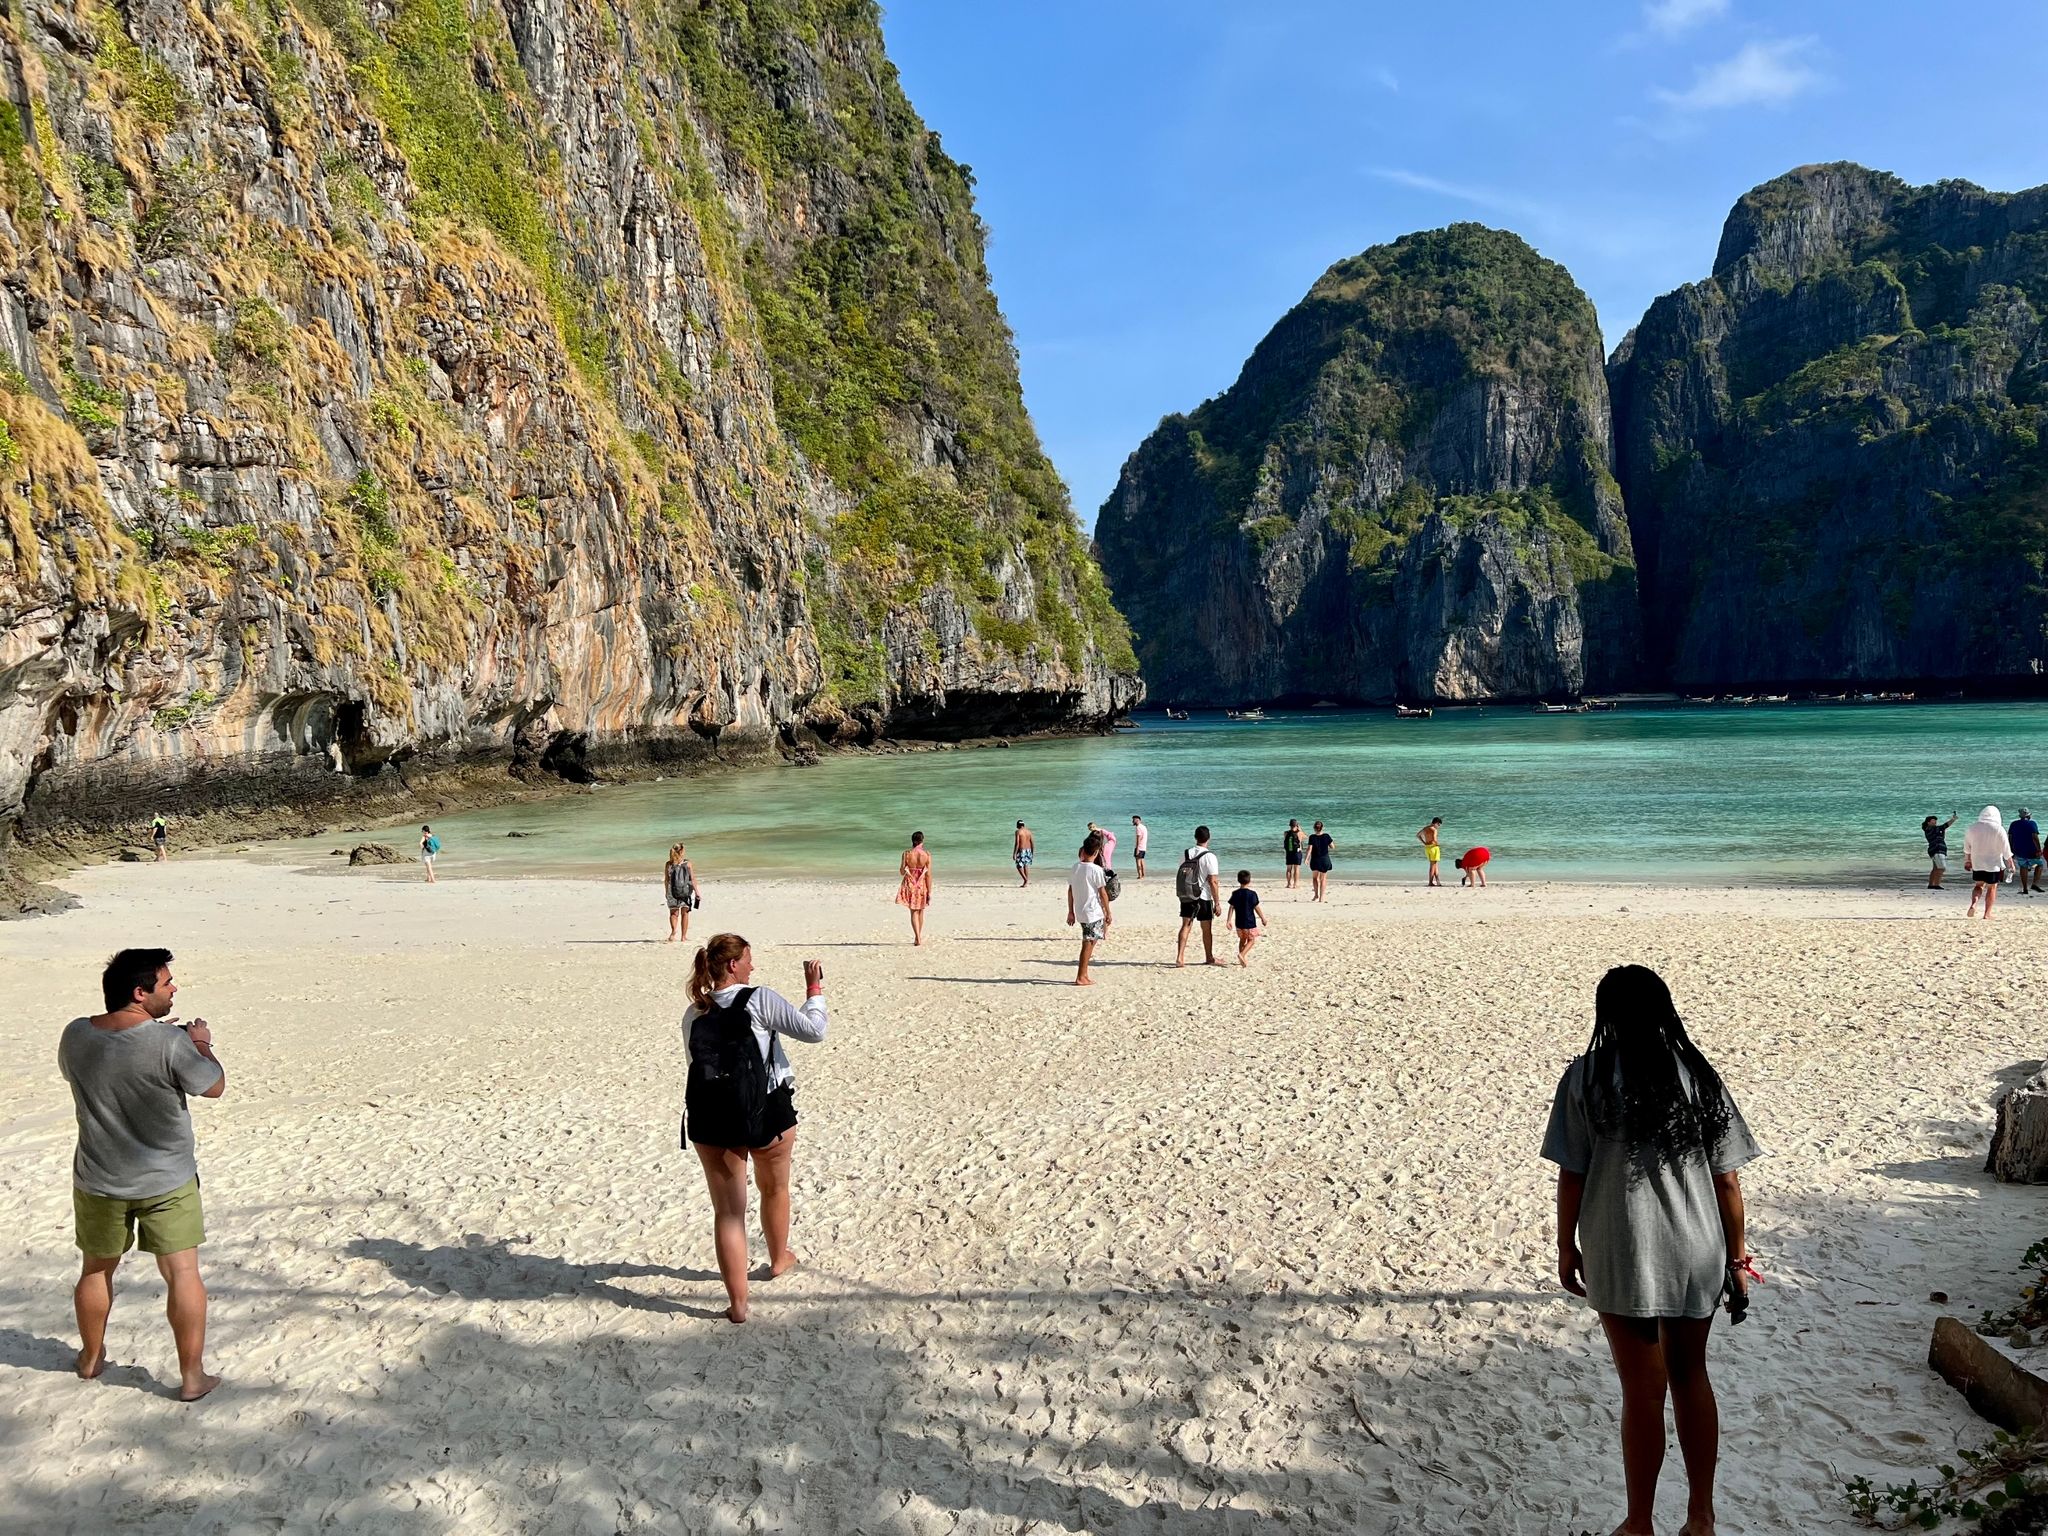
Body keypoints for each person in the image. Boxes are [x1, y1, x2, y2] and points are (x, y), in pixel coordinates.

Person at [1543, 965, 1761, 1536]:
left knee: (1641, 1389)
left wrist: (1566, 1246)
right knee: (1692, 1378)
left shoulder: (1586, 1077)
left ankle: (1639, 1521)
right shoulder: (1698, 1074)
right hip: (1695, 1248)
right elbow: (1728, 1181)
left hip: (1619, 1247)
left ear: (1605, 1014)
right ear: (1666, 1009)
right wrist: (1737, 1258)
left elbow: (1572, 1174)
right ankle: (1701, 1517)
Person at [59, 948, 227, 1401]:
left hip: (99, 1178)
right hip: (166, 1180)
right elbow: (213, 1085)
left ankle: (91, 1358)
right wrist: (199, 1042)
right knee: (183, 1275)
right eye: (167, 983)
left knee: (95, 1271)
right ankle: (193, 1378)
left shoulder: (76, 1034)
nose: (174, 989)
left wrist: (155, 1038)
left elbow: (100, 1062)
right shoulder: (170, 1043)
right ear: (140, 992)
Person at [682, 934, 826, 1323]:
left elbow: (699, 1064)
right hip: (767, 1112)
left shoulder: (695, 1012)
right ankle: (779, 1259)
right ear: (733, 966)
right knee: (775, 1187)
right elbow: (814, 1031)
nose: (752, 966)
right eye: (748, 959)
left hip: (712, 1119)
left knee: (728, 1213)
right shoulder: (759, 998)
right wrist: (814, 990)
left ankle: (739, 1305)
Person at [1174, 826, 1225, 968]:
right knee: (1206, 928)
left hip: (1187, 894)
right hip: (1203, 896)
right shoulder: (1210, 857)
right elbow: (1213, 881)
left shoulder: (1185, 854)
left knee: (1185, 926)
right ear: (1209, 838)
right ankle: (1209, 957)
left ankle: (1180, 957)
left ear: (1195, 837)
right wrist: (1218, 903)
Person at [1067, 831, 1111, 986]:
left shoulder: (1075, 867)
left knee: (1090, 941)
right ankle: (1081, 976)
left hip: (1080, 910)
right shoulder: (1096, 870)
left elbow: (1070, 890)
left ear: (1083, 851)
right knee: (1088, 942)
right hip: (1092, 911)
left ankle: (1084, 974)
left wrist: (1071, 911)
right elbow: (1103, 893)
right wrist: (1108, 912)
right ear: (1097, 852)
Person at [1965, 805, 2015, 920]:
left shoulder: (1972, 828)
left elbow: (1967, 848)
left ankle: (1974, 904)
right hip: (1993, 864)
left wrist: (1967, 861)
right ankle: (1987, 914)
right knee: (1992, 887)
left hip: (1977, 862)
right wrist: (2011, 864)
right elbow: (2006, 849)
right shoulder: (1998, 828)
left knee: (1978, 885)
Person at [895, 831, 932, 945]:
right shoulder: (927, 854)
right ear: (922, 840)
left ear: (912, 840)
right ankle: (918, 936)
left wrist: (906, 868)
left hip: (910, 883)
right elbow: (928, 874)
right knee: (920, 911)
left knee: (913, 912)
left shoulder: (906, 854)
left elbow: (901, 872)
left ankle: (917, 937)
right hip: (921, 884)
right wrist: (929, 891)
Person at [1226, 869, 1266, 965]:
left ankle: (1242, 958)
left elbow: (1231, 907)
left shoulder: (1235, 894)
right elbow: (1256, 907)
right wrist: (1262, 918)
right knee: (1251, 940)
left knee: (1242, 940)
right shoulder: (1252, 894)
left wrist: (1228, 920)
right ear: (1249, 880)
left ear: (1238, 880)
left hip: (1239, 922)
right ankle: (1242, 955)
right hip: (1249, 922)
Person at [665, 843, 699, 941]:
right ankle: (683, 937)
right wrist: (697, 892)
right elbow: (692, 878)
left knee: (673, 912)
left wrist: (666, 892)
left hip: (672, 891)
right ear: (682, 851)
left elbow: (666, 880)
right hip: (686, 891)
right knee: (685, 913)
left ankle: (673, 932)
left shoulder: (669, 864)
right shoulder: (687, 863)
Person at [2011, 808, 2044, 895]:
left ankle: (2025, 889)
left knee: (2023, 867)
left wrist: (2011, 850)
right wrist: (2039, 850)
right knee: (2040, 864)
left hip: (2018, 850)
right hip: (2031, 850)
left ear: (2020, 816)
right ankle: (2034, 884)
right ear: (2029, 816)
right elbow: (2035, 837)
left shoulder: (2014, 824)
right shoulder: (2032, 823)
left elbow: (2010, 838)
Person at [1922, 813, 1956, 889]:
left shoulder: (1931, 829)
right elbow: (1944, 826)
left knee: (1936, 868)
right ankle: (1936, 885)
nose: (1935, 822)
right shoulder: (1930, 829)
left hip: (1935, 849)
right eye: (1933, 821)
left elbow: (1942, 828)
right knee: (1941, 868)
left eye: (1935, 821)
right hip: (1937, 849)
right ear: (1928, 822)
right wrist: (1953, 819)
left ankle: (1931, 885)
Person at [1307, 820, 1335, 902]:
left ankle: (1316, 895)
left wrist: (1306, 859)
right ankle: (1321, 898)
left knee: (1315, 878)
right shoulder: (1326, 836)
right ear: (1322, 828)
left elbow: (1309, 849)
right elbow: (1333, 846)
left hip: (1315, 860)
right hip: (1324, 860)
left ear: (1314, 828)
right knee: (1323, 879)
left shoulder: (1312, 837)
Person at [1419, 817, 1444, 887]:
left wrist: (1424, 842)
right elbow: (1434, 839)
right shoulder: (1434, 830)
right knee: (1433, 866)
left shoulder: (1425, 828)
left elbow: (1418, 835)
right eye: (1439, 825)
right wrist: (1437, 843)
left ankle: (1438, 881)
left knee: (1434, 865)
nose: (1439, 827)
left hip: (1427, 848)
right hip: (1433, 847)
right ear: (1436, 823)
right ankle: (1430, 882)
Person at [1282, 819, 1304, 890]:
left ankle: (1288, 884)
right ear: (1296, 825)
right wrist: (1300, 829)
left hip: (1289, 852)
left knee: (1288, 869)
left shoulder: (1285, 833)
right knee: (1296, 869)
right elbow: (1306, 837)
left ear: (1290, 825)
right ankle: (1295, 884)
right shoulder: (1299, 833)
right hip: (1297, 853)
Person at [1013, 821, 1035, 887]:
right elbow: (1032, 843)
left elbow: (1017, 843)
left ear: (1018, 825)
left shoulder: (1018, 832)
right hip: (1028, 850)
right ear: (1023, 825)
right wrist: (1032, 852)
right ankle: (1026, 882)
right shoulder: (1029, 832)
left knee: (1018, 866)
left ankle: (1025, 879)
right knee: (1026, 865)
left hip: (1021, 850)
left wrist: (1014, 853)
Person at [1131, 815, 1149, 880]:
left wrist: (1137, 848)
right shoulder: (1144, 827)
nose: (1132, 821)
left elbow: (1138, 838)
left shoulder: (1138, 827)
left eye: (1133, 820)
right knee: (1142, 861)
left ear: (1137, 820)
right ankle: (1143, 875)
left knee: (1138, 861)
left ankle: (1140, 875)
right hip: (1144, 847)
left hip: (1140, 846)